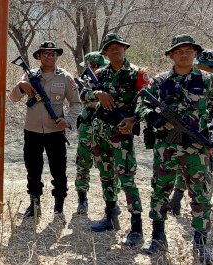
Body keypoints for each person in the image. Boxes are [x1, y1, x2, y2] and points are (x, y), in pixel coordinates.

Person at [137, 35, 213, 264]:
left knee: (201, 194)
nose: (184, 54)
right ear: (171, 55)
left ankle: (200, 243)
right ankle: (158, 237)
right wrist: (153, 119)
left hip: (197, 148)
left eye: (189, 50)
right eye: (179, 51)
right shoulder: (159, 81)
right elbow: (142, 104)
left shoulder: (209, 81)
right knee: (160, 190)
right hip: (166, 147)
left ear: (196, 54)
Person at [80, 33, 148, 247]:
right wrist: (98, 93)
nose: (115, 50)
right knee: (106, 175)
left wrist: (134, 119)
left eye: (119, 47)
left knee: (127, 178)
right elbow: (83, 94)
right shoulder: (99, 74)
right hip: (100, 132)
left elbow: (147, 100)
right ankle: (110, 216)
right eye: (111, 48)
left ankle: (136, 227)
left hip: (122, 132)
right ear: (105, 53)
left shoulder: (138, 73)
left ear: (125, 49)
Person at [9, 41, 81, 219]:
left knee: (59, 170)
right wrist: (20, 87)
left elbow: (77, 104)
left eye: (53, 53)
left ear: (56, 56)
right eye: (45, 53)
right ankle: (34, 204)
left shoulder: (65, 77)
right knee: (33, 170)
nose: (49, 56)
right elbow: (13, 98)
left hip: (55, 132)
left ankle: (59, 206)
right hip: (32, 131)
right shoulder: (29, 75)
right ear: (39, 56)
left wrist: (68, 121)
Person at [169, 49, 213, 216]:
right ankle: (177, 199)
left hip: (208, 137)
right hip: (191, 135)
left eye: (212, 67)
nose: (210, 70)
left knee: (203, 173)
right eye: (207, 66)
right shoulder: (187, 80)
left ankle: (201, 209)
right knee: (187, 166)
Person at [73, 51, 115, 215]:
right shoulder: (85, 82)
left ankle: (111, 205)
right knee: (83, 163)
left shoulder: (109, 79)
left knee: (107, 165)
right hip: (87, 127)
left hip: (105, 128)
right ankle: (82, 200)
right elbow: (84, 99)